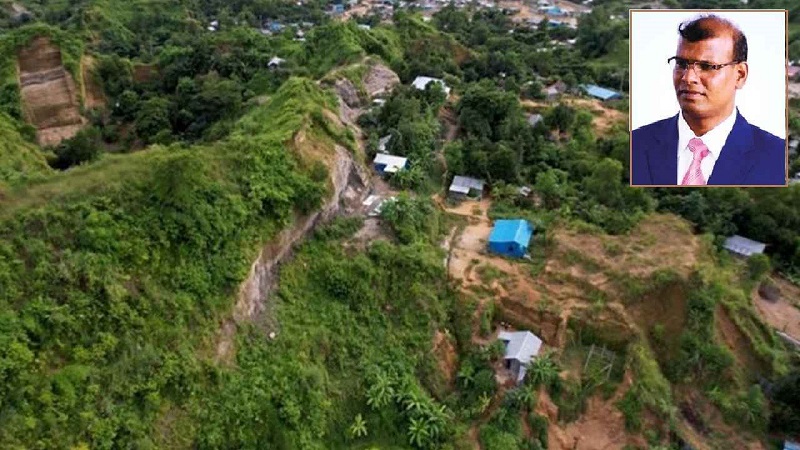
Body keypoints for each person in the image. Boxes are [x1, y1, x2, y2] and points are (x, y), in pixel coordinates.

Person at [631, 14, 786, 186]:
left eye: (706, 67)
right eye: (681, 64)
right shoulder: (635, 145)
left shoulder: (778, 158)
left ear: (740, 75)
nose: (688, 78)